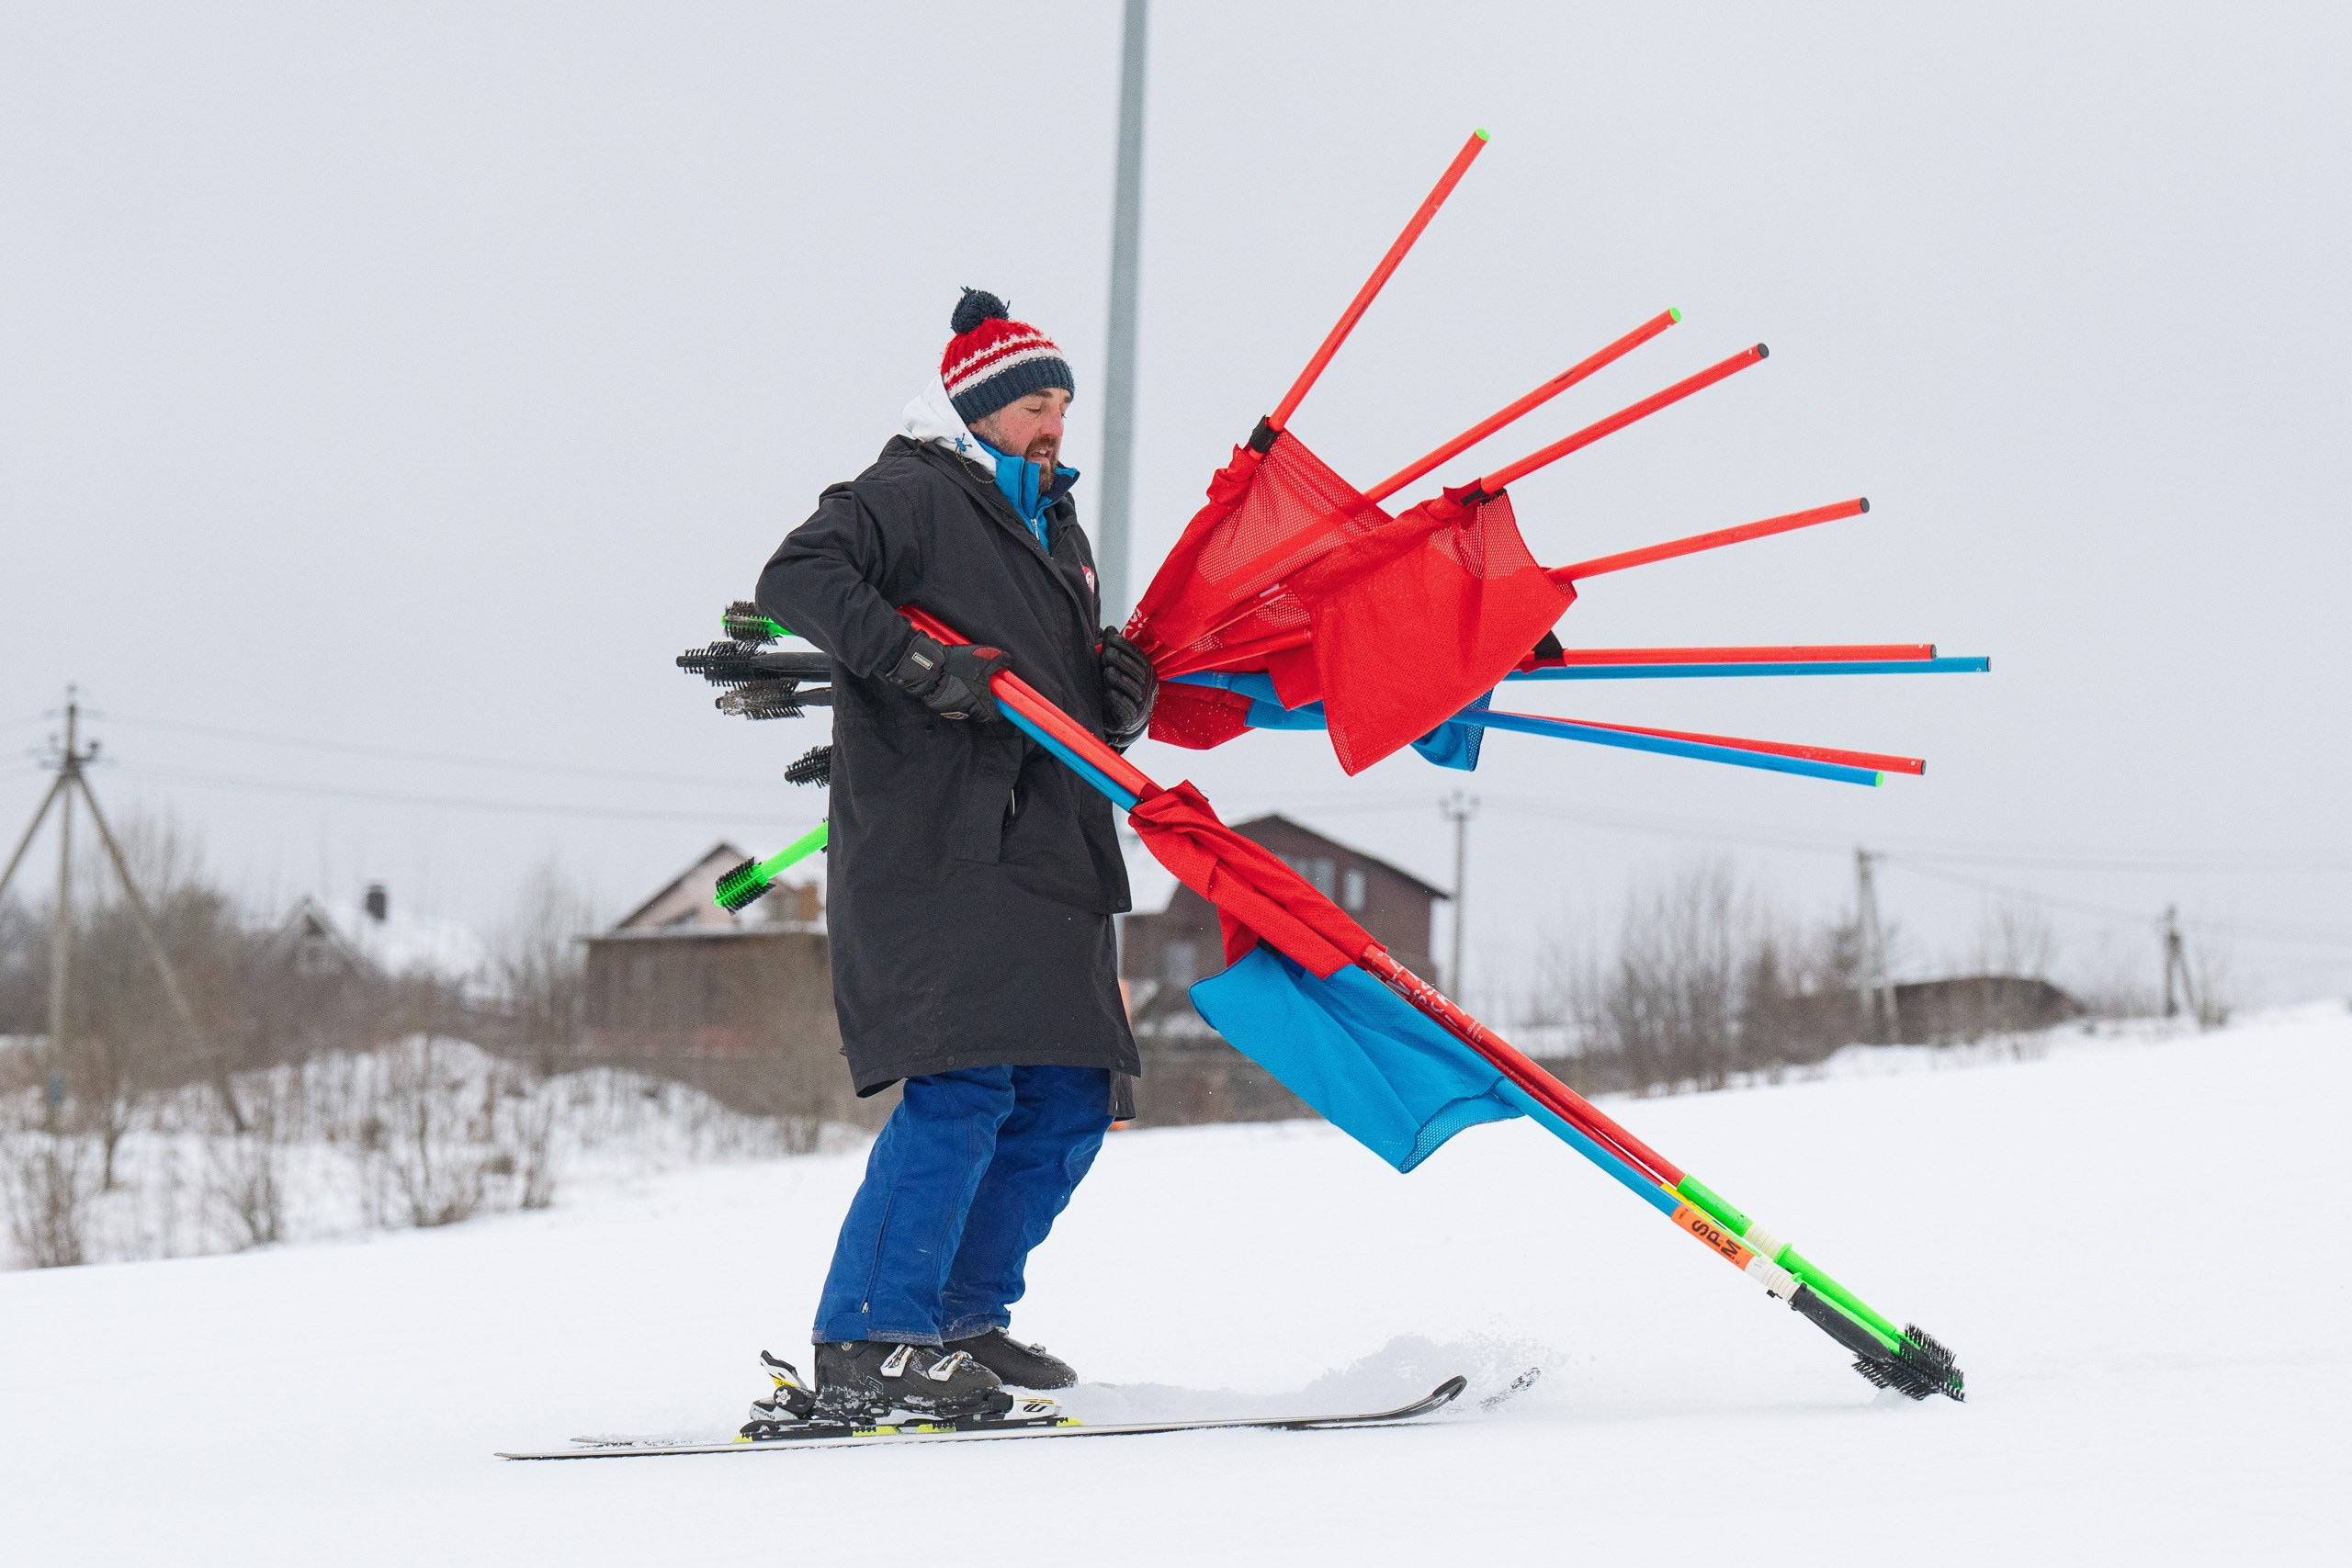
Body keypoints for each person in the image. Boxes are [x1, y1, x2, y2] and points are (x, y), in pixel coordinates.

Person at [753, 289, 1159, 1423]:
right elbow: (796, 577)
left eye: (1063, 407)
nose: (1053, 425)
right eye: (1035, 404)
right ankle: (868, 1335)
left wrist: (1119, 702)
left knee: (1070, 1096)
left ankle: (958, 1319)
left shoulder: (1054, 528)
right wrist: (915, 666)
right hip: (941, 851)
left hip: (1053, 851)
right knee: (966, 1083)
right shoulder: (912, 492)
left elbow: (1052, 697)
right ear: (978, 410)